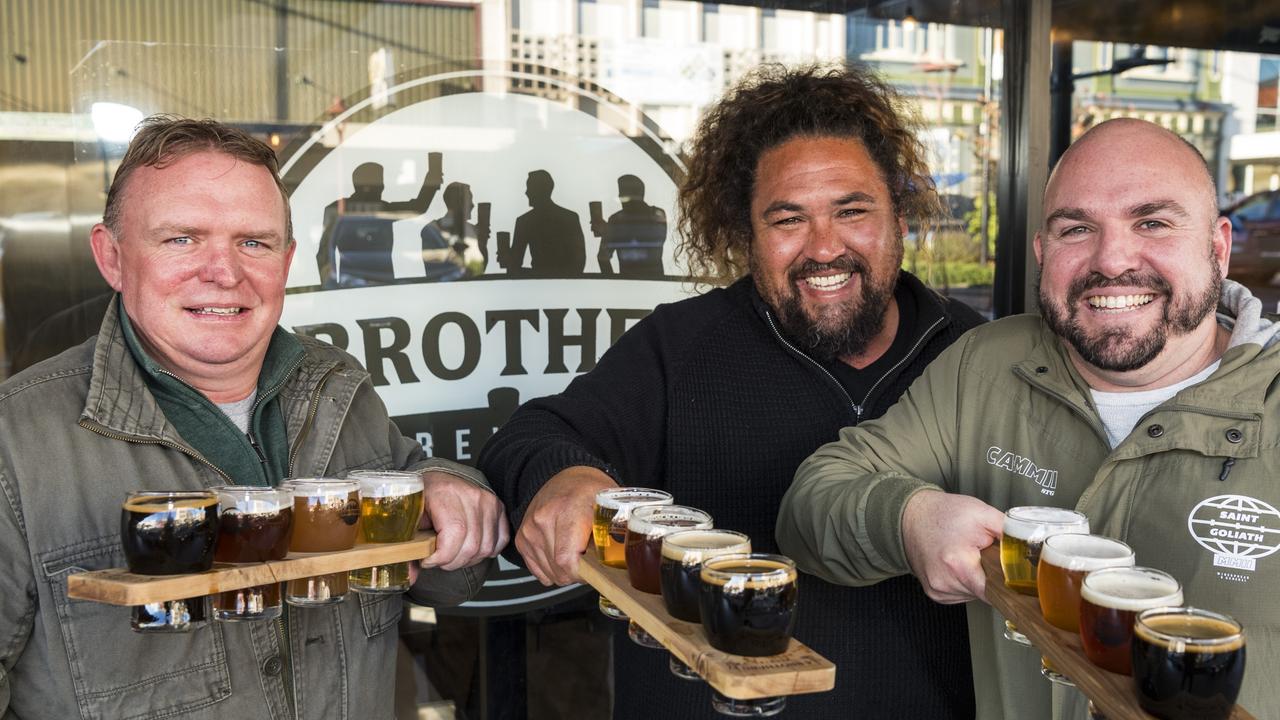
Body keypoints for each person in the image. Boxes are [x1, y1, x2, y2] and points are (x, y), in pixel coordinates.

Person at [479, 64, 985, 720]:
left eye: (852, 211)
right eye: (788, 220)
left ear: (899, 216)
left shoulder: (971, 353)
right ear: (745, 235)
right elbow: (531, 436)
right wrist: (566, 479)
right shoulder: (682, 346)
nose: (825, 247)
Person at [0, 116, 509, 719]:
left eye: (254, 242)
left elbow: (446, 578)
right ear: (111, 257)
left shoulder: (336, 388)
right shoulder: (17, 446)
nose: (224, 271)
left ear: (287, 260)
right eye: (181, 239)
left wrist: (453, 491)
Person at [777, 117, 1280, 720]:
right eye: (1077, 229)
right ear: (1043, 252)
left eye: (1152, 222)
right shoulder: (989, 362)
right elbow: (812, 502)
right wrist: (910, 521)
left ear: (1218, 247)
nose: (1112, 259)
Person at [316, 158, 441, 288]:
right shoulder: (384, 211)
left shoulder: (337, 209)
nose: (382, 186)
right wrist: (434, 171)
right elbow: (419, 206)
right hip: (362, 275)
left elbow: (323, 250)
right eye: (380, 181)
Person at [506, 169, 586, 276]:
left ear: (540, 190)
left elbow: (514, 267)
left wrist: (509, 260)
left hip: (546, 286)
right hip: (562, 285)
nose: (526, 192)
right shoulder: (570, 218)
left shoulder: (524, 222)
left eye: (529, 187)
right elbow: (578, 263)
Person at [594, 174, 667, 278]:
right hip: (653, 282)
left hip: (635, 283)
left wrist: (609, 231)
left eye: (622, 194)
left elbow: (603, 257)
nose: (619, 197)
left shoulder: (616, 220)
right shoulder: (657, 214)